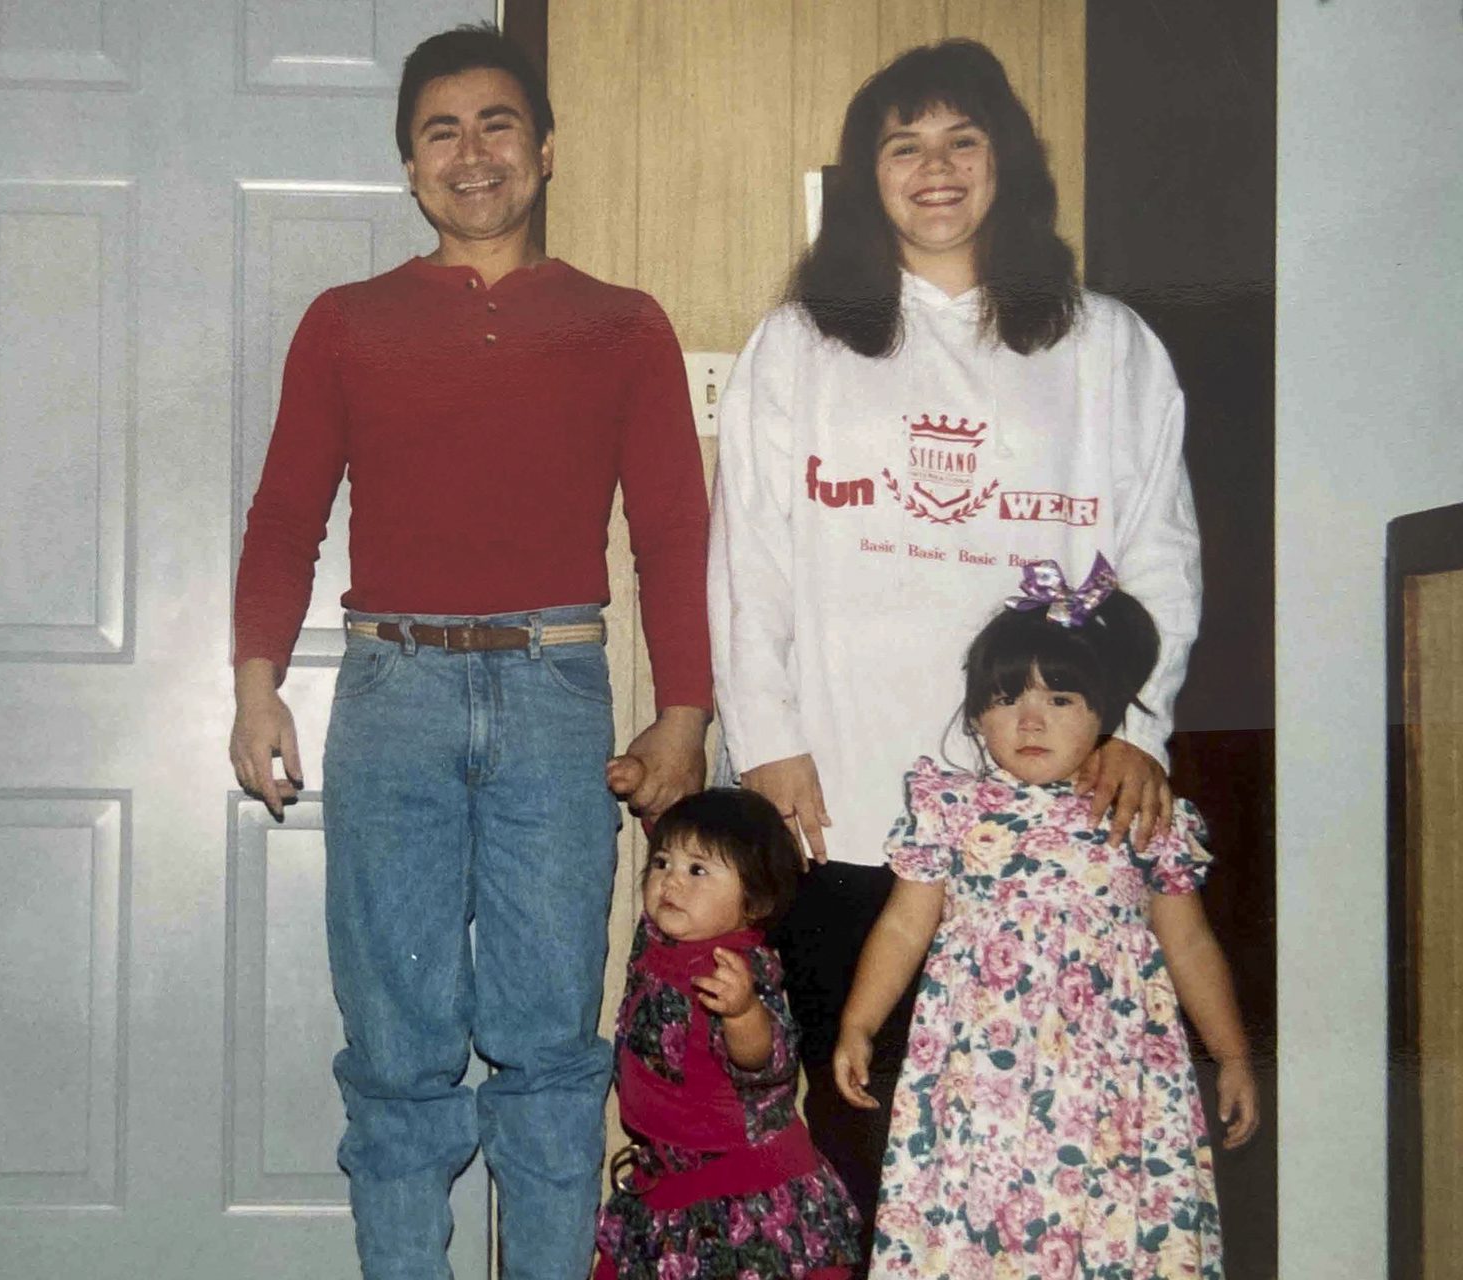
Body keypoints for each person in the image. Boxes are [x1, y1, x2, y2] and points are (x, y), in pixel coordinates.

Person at [227, 24, 713, 1280]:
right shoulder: (346, 323)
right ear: (409, 167)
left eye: (498, 123)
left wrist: (686, 711)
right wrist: (255, 685)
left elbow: (668, 528)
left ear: (544, 149)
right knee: (396, 1048)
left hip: (558, 694)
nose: (473, 152)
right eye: (440, 131)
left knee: (553, 1043)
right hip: (391, 694)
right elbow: (287, 514)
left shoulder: (623, 325)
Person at [706, 38, 1202, 1239]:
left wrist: (1139, 728)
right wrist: (769, 742)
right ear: (865, 176)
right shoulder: (802, 343)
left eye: (962, 140)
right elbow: (750, 560)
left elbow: (1161, 561)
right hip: (849, 810)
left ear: (1008, 166)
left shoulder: (1110, 348)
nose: (935, 169)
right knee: (862, 1128)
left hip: (1048, 823)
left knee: (1044, 1145)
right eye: (903, 144)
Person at [830, 563, 1256, 1278]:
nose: (1031, 720)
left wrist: (1234, 1052)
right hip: (980, 1087)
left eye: (1061, 698)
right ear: (974, 717)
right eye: (1005, 699)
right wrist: (858, 1024)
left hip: (1115, 1089)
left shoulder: (1142, 813)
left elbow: (1187, 940)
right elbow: (905, 927)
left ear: (1109, 712)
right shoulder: (952, 810)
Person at [593, 786, 861, 1280]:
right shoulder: (658, 937)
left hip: (744, 1200)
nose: (671, 881)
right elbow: (674, 829)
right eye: (661, 864)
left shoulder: (740, 970)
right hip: (668, 1181)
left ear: (755, 901)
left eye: (698, 871)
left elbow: (764, 1058)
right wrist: (648, 780)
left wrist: (742, 1015)